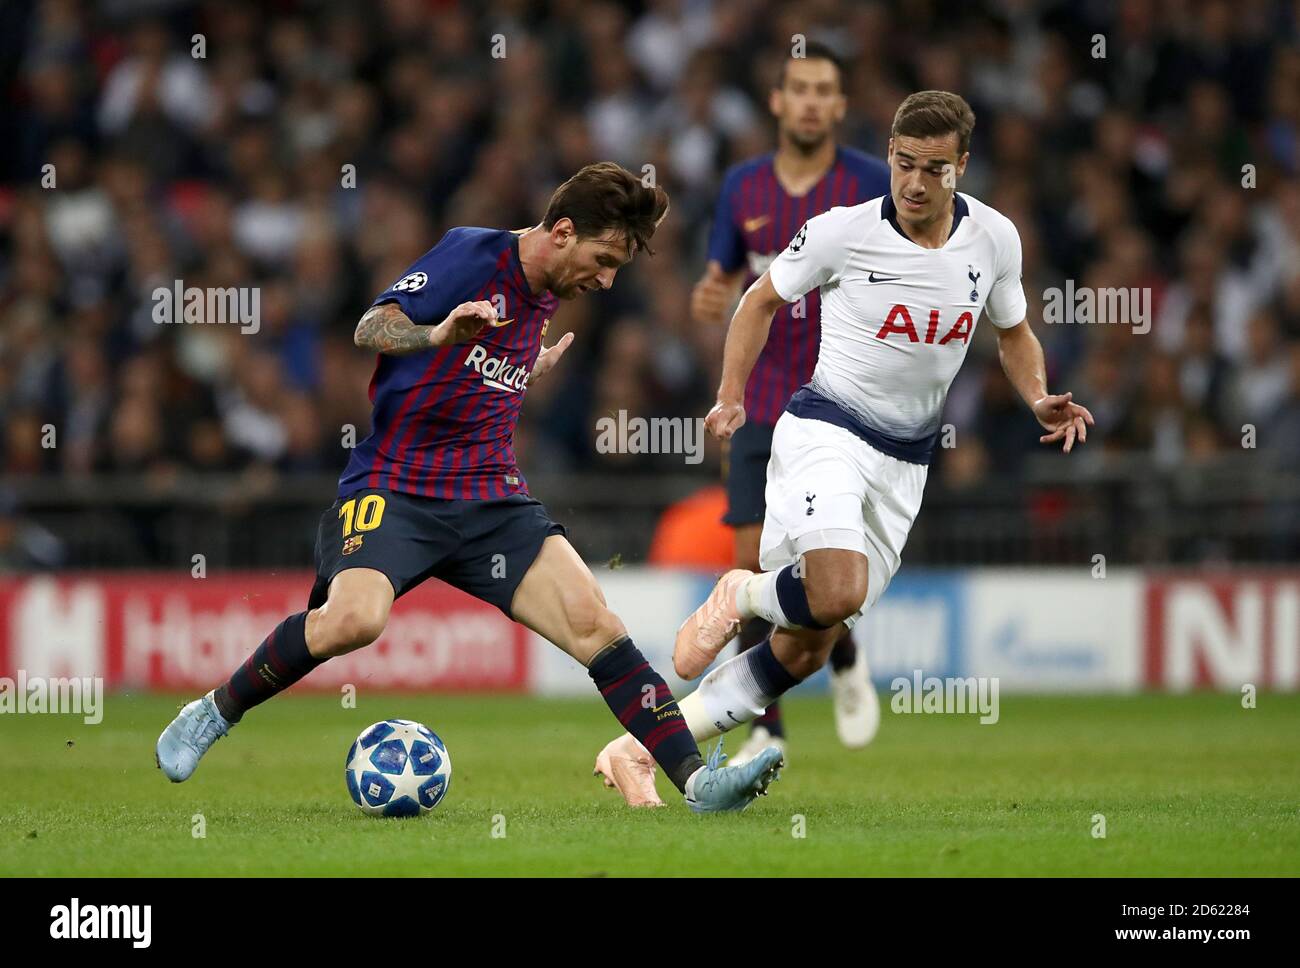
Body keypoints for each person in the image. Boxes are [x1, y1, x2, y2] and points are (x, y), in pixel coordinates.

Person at [156, 163, 782, 813]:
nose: (606, 279)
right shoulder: (472, 253)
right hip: (397, 485)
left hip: (489, 495)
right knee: (354, 620)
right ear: (562, 232)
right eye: (602, 259)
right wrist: (435, 332)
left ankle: (698, 784)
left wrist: (521, 369)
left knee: (596, 624)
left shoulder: (548, 291)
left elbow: (478, 370)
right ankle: (213, 711)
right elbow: (372, 326)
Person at [595, 92, 1093, 806]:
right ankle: (740, 592)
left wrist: (1038, 394)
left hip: (906, 464)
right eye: (903, 163)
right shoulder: (842, 232)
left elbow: (1012, 332)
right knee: (835, 591)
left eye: (934, 169)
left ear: (962, 167)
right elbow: (758, 299)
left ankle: (636, 750)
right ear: (888, 155)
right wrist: (732, 394)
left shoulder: (995, 239)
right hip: (826, 429)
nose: (915, 183)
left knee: (807, 646)